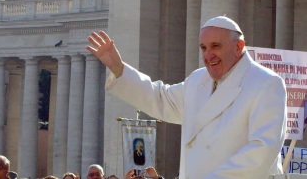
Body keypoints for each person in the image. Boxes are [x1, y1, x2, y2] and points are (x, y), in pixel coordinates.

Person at [86, 16, 287, 178]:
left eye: (215, 46)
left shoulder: (266, 83)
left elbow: (262, 151)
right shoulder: (198, 80)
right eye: (203, 48)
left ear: (238, 46)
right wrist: (120, 69)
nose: (208, 55)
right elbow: (160, 98)